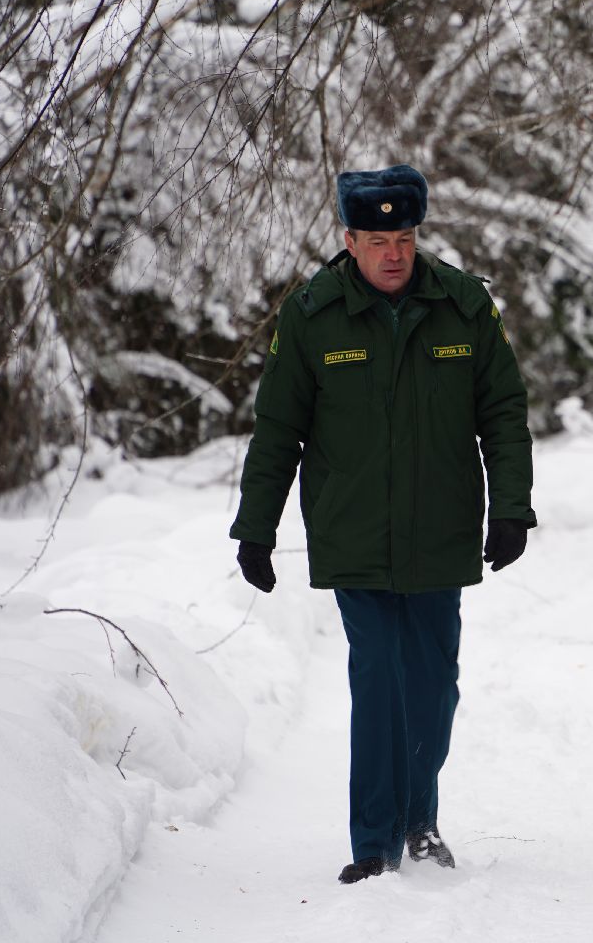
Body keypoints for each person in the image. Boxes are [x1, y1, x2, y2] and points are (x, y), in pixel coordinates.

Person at [229, 163, 535, 884]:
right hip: (353, 529)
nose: (393, 254)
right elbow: (278, 429)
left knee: (432, 685)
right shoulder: (312, 314)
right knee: (377, 680)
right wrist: (256, 528)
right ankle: (374, 843)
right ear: (350, 240)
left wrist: (511, 507)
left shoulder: (464, 304)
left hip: (440, 528)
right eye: (377, 241)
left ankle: (418, 818)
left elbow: (503, 412)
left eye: (404, 239)